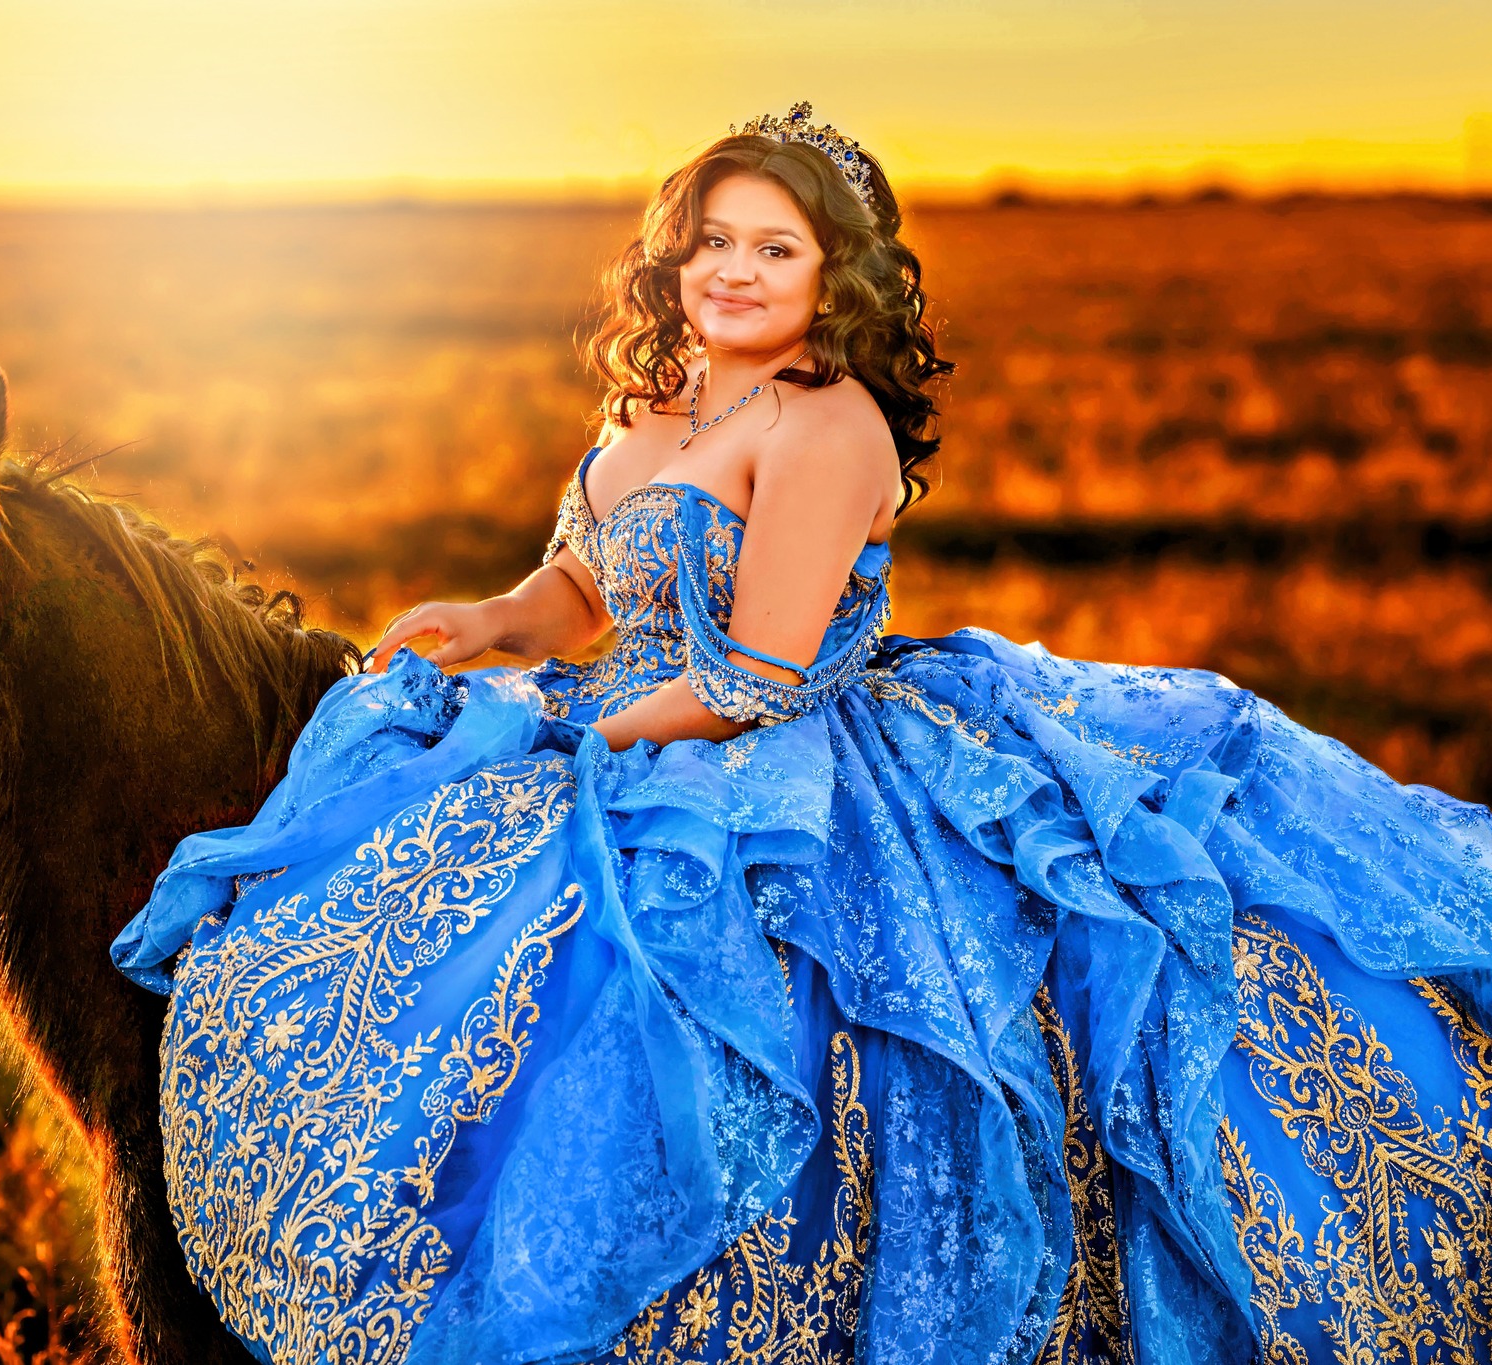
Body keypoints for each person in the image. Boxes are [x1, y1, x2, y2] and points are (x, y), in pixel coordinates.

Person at [111, 103, 1492, 1365]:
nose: (737, 268)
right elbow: (587, 587)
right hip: (639, 717)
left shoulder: (828, 427)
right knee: (444, 955)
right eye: (713, 238)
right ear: (671, 255)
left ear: (837, 278)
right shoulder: (648, 409)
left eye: (776, 246)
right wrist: (494, 623)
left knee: (772, 1005)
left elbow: (758, 672)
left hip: (778, 755)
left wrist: (580, 743)